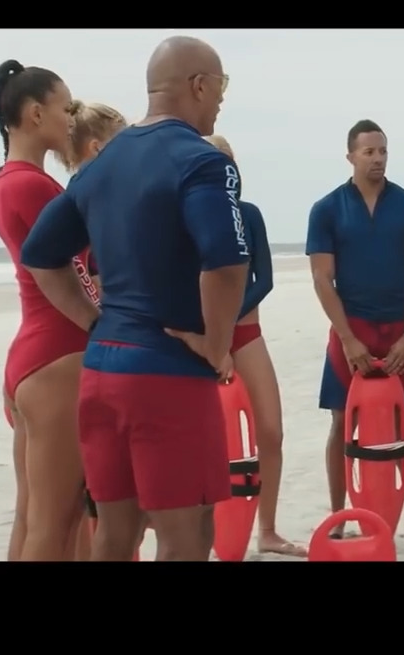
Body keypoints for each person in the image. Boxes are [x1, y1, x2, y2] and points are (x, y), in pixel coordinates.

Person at [22, 36, 249, 562]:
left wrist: (93, 321)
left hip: (103, 372)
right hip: (167, 375)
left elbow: (40, 256)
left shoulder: (103, 162)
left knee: (115, 534)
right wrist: (216, 345)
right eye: (221, 87)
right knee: (187, 536)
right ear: (198, 85)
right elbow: (226, 262)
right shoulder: (203, 161)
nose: (221, 100)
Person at [305, 119, 404, 552]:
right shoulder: (326, 209)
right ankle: (338, 516)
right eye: (369, 152)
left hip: (398, 327)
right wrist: (347, 339)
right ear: (351, 156)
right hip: (352, 328)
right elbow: (322, 279)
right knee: (340, 422)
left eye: (383, 151)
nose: (378, 158)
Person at [0, 61, 102, 562]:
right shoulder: (32, 186)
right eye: (67, 107)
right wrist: (103, 325)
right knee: (58, 523)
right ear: (36, 114)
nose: (73, 119)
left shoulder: (5, 180)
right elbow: (66, 275)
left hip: (32, 354)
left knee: (33, 515)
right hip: (58, 355)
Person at [172, 134, 305, 557]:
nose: (226, 168)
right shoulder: (184, 217)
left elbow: (262, 279)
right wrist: (211, 340)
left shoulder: (249, 215)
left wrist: (225, 331)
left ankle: (267, 530)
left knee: (271, 431)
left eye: (229, 159)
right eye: (215, 159)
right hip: (199, 341)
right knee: (198, 443)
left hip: (245, 335)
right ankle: (198, 534)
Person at [59, 99, 128, 560]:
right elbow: (92, 282)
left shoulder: (78, 200)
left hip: (81, 352)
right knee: (86, 503)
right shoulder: (91, 203)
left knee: (85, 503)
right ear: (99, 147)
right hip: (84, 357)